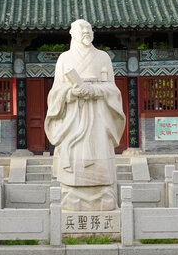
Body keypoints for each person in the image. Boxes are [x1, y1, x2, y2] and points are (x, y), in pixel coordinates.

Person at [44, 19, 126, 211]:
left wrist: (94, 91)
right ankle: (72, 194)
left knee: (98, 154)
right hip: (73, 117)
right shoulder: (64, 58)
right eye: (81, 28)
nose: (86, 31)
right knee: (73, 156)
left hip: (98, 115)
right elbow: (56, 91)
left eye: (89, 29)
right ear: (72, 33)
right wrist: (71, 93)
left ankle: (102, 193)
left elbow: (113, 89)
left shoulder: (103, 57)